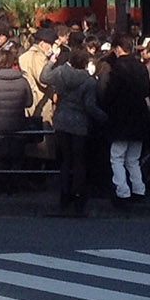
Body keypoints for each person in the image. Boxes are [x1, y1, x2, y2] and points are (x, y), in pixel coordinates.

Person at [43, 46, 105, 213]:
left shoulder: (61, 72)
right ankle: (78, 196)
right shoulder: (89, 81)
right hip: (79, 123)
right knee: (79, 162)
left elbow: (44, 77)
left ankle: (64, 195)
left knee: (65, 160)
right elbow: (90, 106)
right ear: (85, 63)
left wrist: (51, 62)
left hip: (61, 119)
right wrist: (105, 117)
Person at [101, 33, 150, 206]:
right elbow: (146, 91)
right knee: (133, 158)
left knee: (117, 157)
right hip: (139, 115)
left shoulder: (117, 68)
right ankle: (139, 189)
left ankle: (122, 192)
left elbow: (109, 95)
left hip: (121, 118)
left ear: (117, 48)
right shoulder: (141, 66)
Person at [0, 47, 31, 194]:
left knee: (0, 158)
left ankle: (2, 186)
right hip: (18, 123)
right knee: (16, 157)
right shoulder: (22, 81)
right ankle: (15, 185)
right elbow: (29, 102)